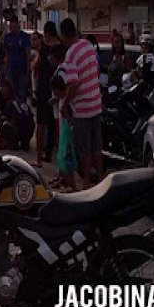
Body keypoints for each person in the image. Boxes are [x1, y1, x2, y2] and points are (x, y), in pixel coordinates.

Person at [59, 18, 103, 189]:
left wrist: (65, 105)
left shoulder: (70, 54)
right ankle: (99, 178)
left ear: (63, 35)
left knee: (84, 148)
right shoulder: (88, 46)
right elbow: (97, 71)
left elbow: (74, 84)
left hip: (83, 108)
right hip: (96, 103)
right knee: (96, 146)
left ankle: (86, 182)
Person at [33, 23, 58, 167]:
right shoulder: (61, 48)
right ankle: (50, 154)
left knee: (41, 123)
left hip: (43, 88)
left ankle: (39, 159)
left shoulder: (44, 50)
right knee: (54, 123)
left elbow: (35, 66)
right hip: (56, 89)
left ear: (48, 33)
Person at [51, 73, 78, 193]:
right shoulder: (63, 99)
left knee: (66, 160)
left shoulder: (67, 101)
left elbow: (71, 118)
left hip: (68, 135)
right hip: (65, 134)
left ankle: (73, 186)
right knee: (66, 161)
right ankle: (68, 183)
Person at [0, 81, 35, 151]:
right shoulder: (19, 99)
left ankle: (12, 141)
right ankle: (25, 142)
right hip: (31, 127)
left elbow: (3, 118)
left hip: (22, 128)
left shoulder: (10, 103)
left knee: (5, 123)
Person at [4, 15, 31, 100]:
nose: (12, 28)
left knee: (22, 95)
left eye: (14, 26)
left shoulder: (24, 37)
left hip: (22, 71)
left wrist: (28, 73)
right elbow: (7, 55)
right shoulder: (8, 38)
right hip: (11, 71)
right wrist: (5, 71)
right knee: (11, 95)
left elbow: (28, 55)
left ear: (17, 25)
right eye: (10, 27)